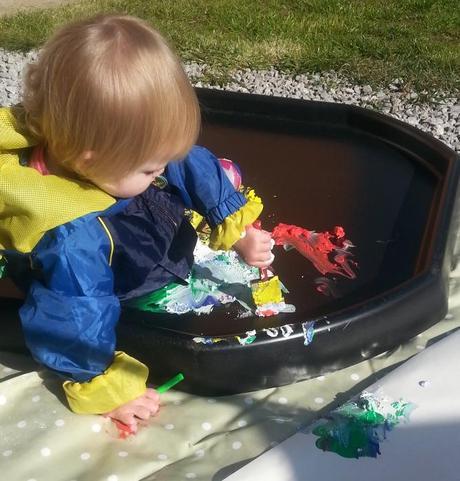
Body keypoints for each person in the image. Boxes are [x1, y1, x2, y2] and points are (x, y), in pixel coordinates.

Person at [0, 14, 273, 431]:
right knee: (81, 295)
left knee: (176, 163)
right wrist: (107, 387)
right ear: (91, 161)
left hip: (138, 217)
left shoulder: (115, 155)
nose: (159, 170)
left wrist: (235, 227)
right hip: (120, 277)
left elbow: (188, 161)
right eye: (150, 170)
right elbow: (74, 318)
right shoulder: (71, 240)